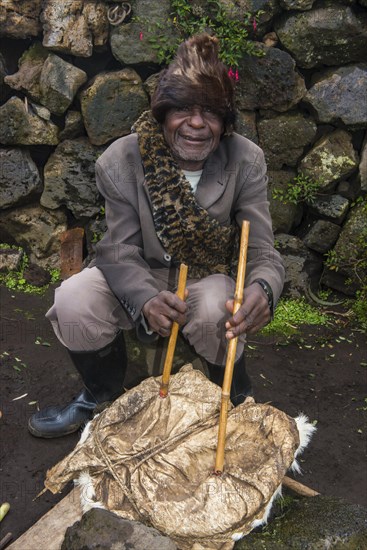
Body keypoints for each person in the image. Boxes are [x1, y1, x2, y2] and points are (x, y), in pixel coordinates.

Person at [28, 34, 284, 438]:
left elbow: (263, 250)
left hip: (205, 277)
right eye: (182, 109)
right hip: (137, 274)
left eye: (210, 112)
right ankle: (100, 396)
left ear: (225, 122)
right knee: (75, 299)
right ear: (163, 113)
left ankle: (233, 396)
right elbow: (118, 248)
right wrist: (145, 297)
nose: (196, 123)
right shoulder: (121, 159)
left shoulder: (245, 159)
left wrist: (264, 290)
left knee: (222, 305)